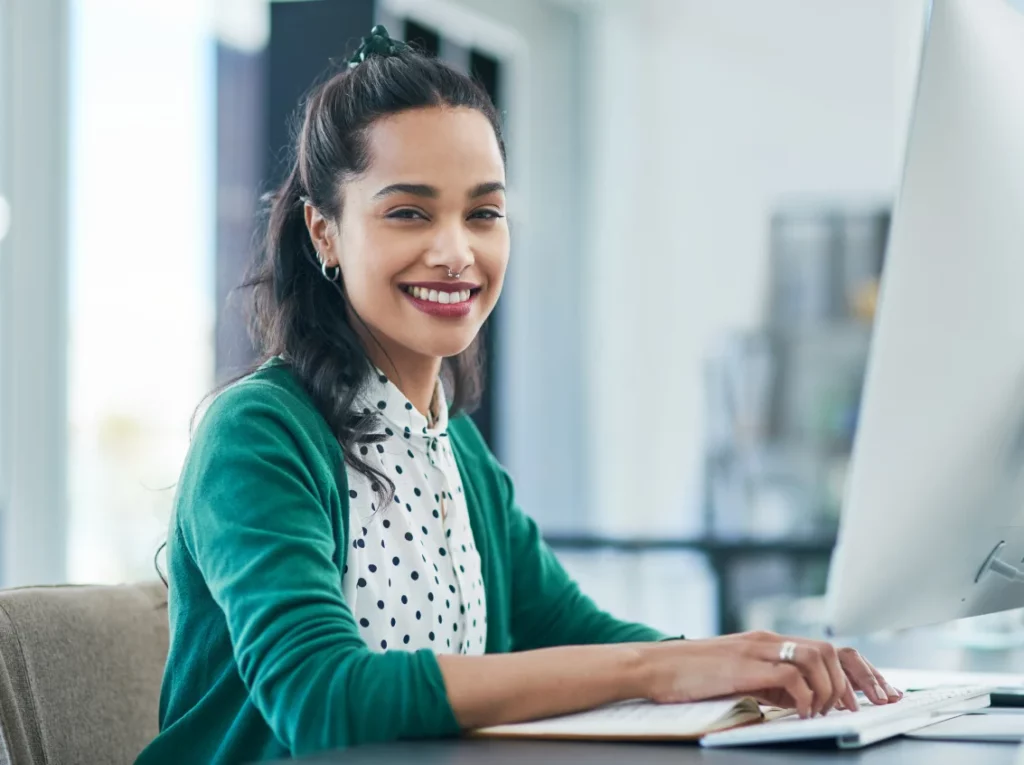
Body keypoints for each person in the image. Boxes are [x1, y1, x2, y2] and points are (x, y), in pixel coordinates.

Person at [135, 26, 901, 765]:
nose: (455, 251)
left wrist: (743, 665)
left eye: (483, 213)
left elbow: (569, 628)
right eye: (409, 211)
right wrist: (655, 671)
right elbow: (322, 700)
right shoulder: (259, 434)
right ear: (324, 231)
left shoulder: (452, 444)